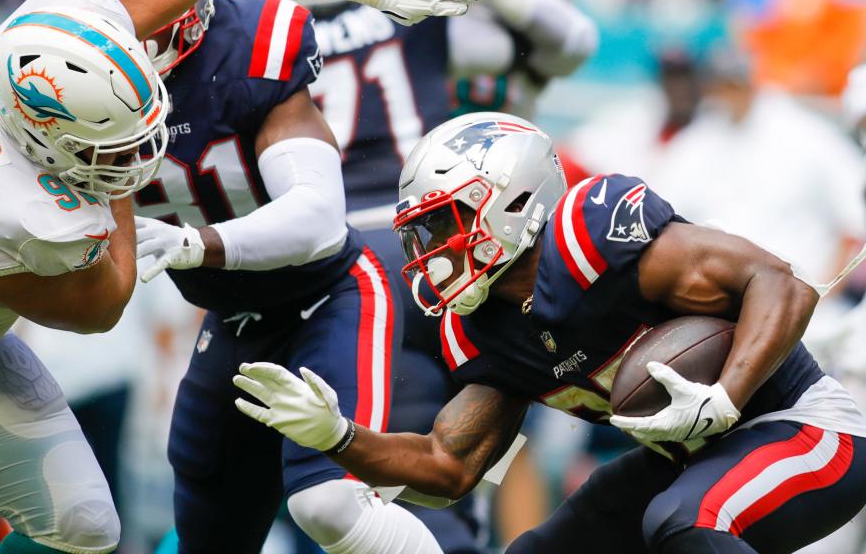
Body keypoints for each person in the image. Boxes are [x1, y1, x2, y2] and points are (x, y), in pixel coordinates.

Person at [0, 0, 477, 553]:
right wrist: (119, 180)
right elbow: (102, 305)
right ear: (52, 148)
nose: (140, 149)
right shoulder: (14, 215)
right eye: (112, 151)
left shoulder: (64, 19)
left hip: (313, 293)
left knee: (105, 526)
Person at [233, 111, 866, 553]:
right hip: (694, 457)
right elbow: (449, 468)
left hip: (807, 429)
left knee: (686, 520)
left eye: (445, 224)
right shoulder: (481, 330)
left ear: (512, 199)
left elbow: (783, 282)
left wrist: (726, 394)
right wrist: (339, 437)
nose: (435, 253)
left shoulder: (591, 239)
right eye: (423, 236)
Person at [252, 0, 596, 550]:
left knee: (506, 432)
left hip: (504, 243)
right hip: (414, 241)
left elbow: (572, 42)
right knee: (408, 436)